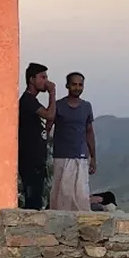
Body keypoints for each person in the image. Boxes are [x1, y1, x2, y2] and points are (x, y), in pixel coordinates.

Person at [47, 72, 96, 211]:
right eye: (74, 84)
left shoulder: (86, 106)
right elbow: (48, 126)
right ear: (67, 85)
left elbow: (89, 131)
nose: (77, 88)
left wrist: (93, 157)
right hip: (62, 155)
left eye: (80, 85)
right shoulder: (58, 105)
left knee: (81, 194)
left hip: (81, 156)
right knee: (62, 193)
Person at [18, 63, 57, 210]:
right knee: (32, 200)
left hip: (37, 160)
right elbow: (49, 114)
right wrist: (52, 93)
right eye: (42, 77)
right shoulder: (28, 100)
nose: (46, 81)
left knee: (37, 198)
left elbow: (49, 119)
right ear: (32, 79)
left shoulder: (34, 102)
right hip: (30, 160)